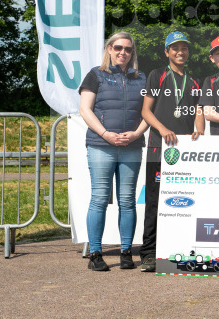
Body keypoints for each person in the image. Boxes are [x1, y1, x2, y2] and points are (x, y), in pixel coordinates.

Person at [78, 31, 148, 271]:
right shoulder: (95, 75)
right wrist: (106, 134)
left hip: (132, 147)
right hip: (101, 146)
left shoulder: (142, 78)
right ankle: (95, 254)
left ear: (132, 52)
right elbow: (85, 110)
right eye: (118, 47)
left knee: (127, 201)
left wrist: (137, 134)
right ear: (109, 48)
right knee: (99, 199)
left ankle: (126, 252)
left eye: (128, 49)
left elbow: (149, 113)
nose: (123, 53)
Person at [138, 30, 203, 272]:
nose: (180, 52)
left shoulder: (195, 80)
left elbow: (198, 111)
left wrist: (199, 131)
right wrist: (164, 129)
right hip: (159, 146)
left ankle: (181, 248)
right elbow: (146, 111)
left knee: (185, 200)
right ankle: (148, 253)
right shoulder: (157, 75)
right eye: (175, 48)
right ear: (167, 52)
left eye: (184, 48)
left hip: (185, 150)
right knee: (155, 200)